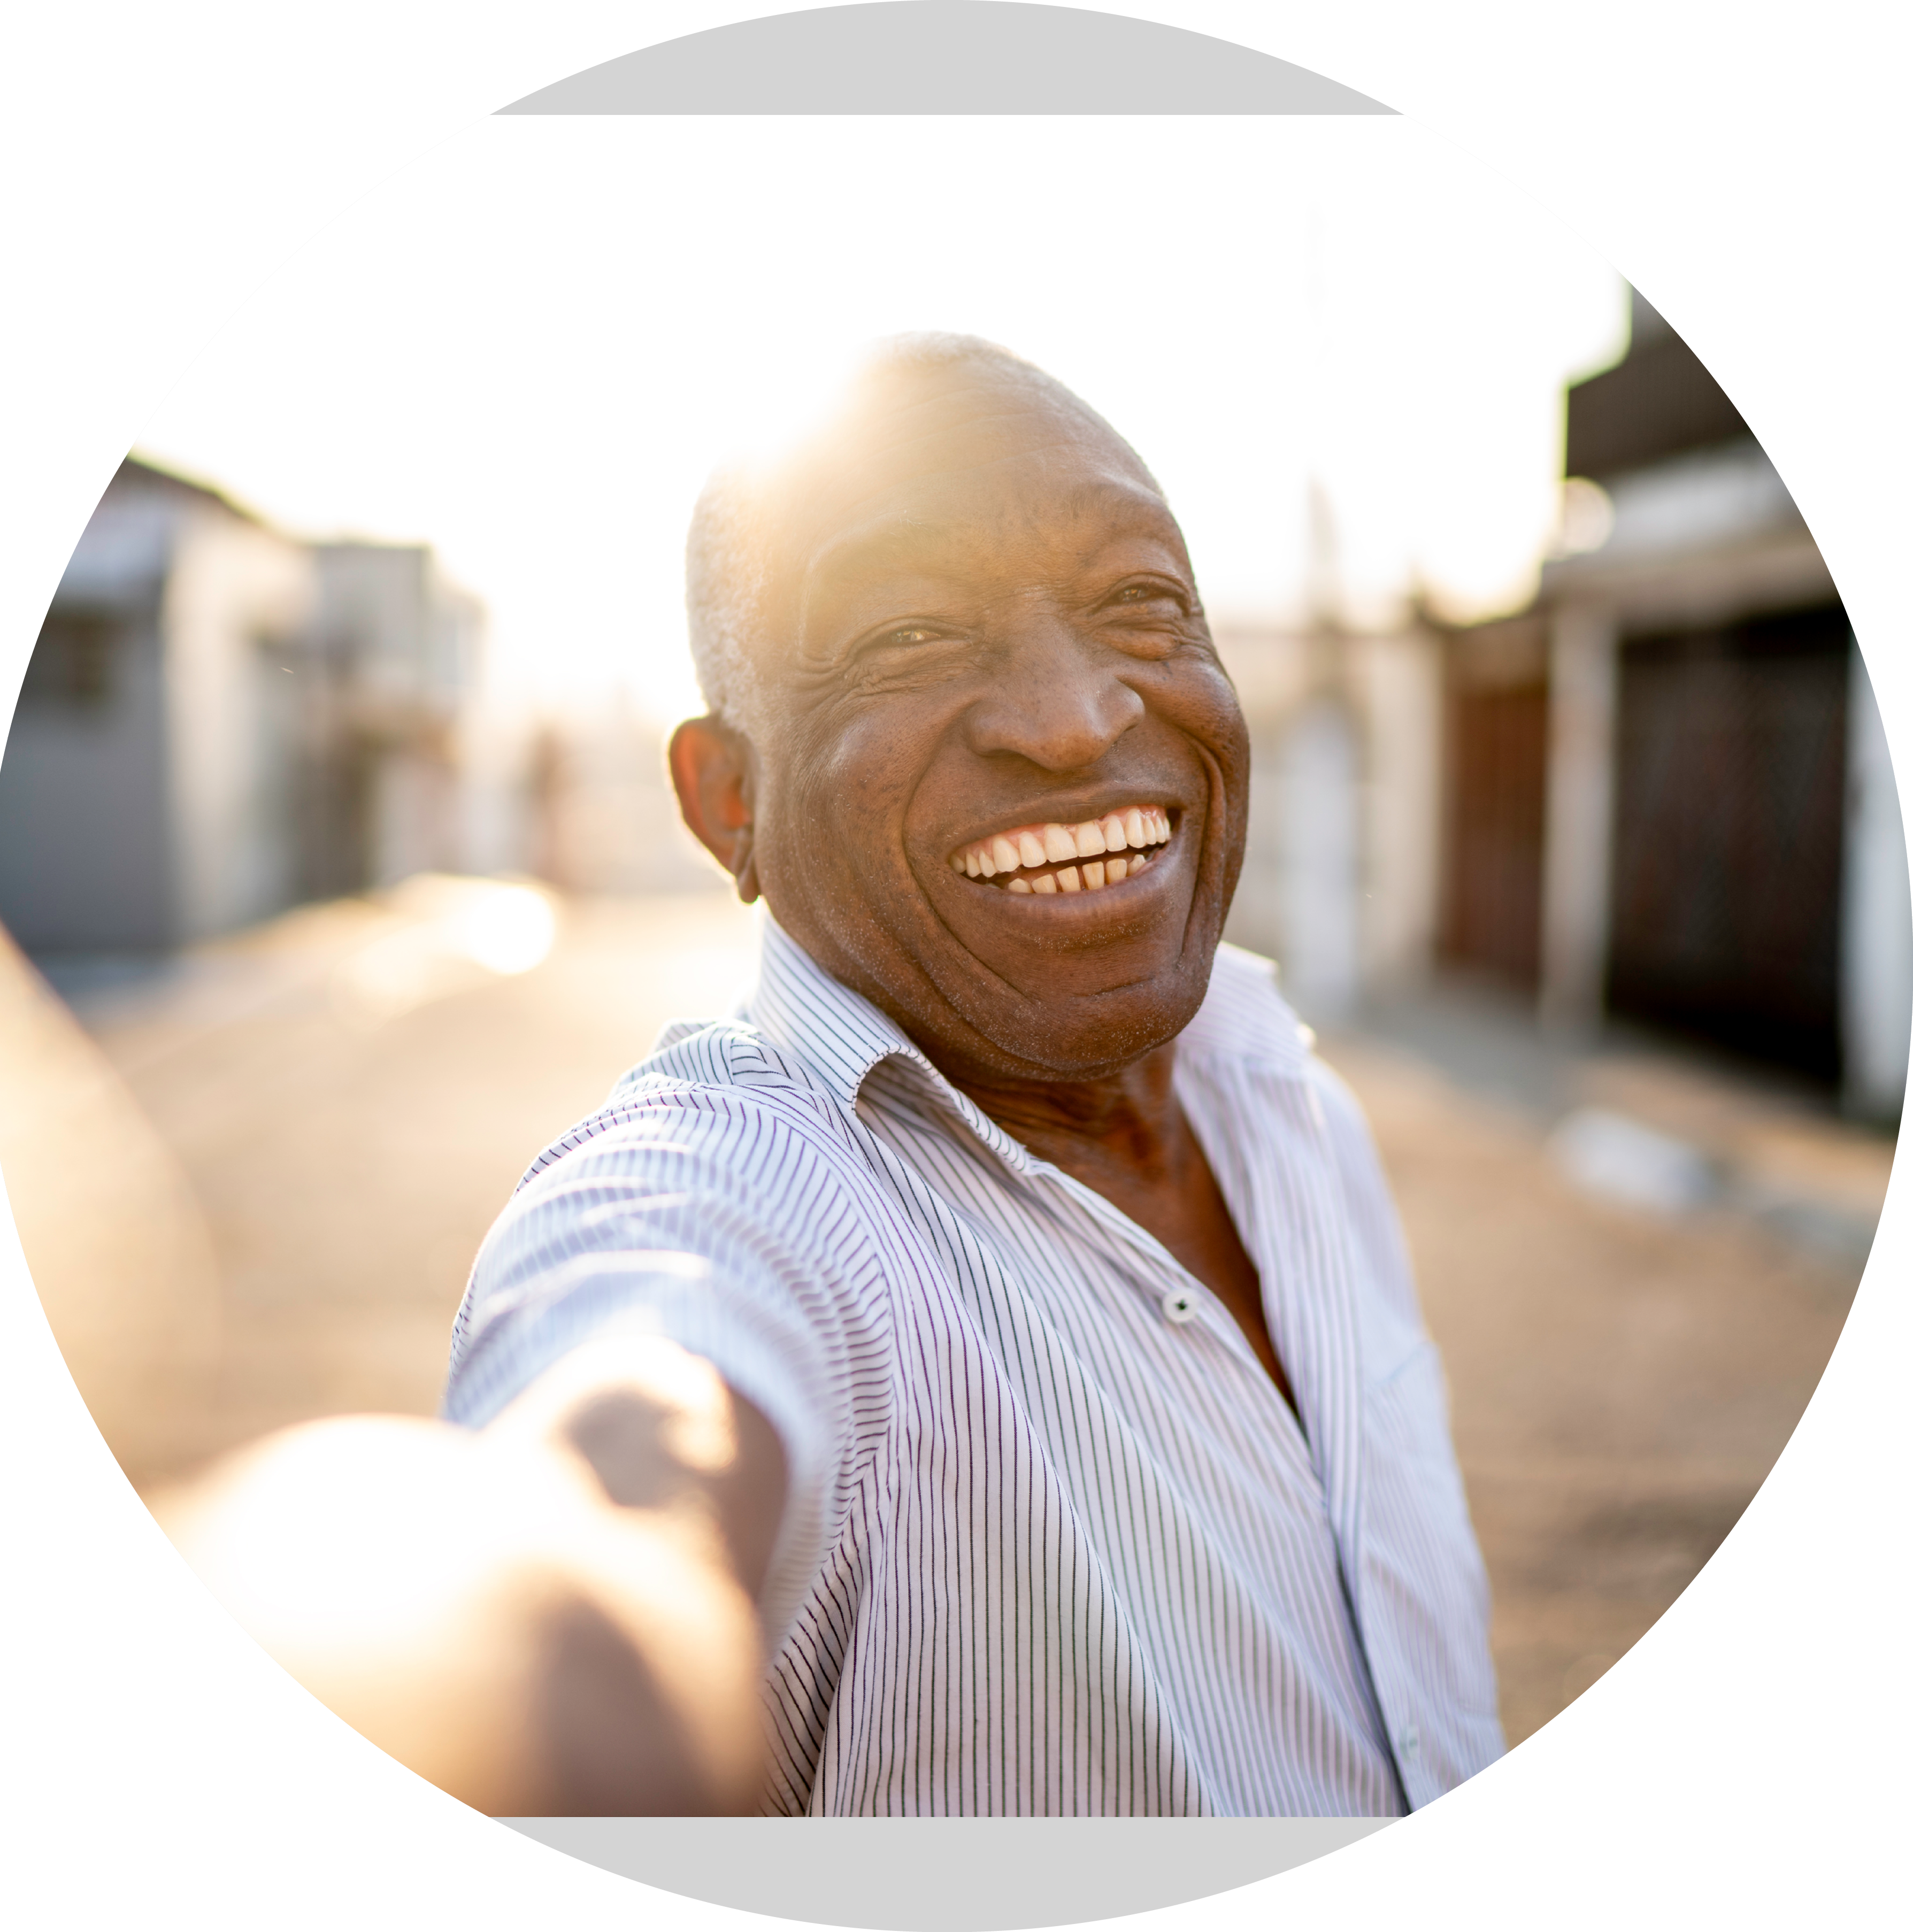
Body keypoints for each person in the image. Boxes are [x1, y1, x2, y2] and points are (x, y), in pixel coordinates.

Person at [158, 334, 1503, 1817]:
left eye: (1139, 602)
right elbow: (626, 1451)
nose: (1071, 717)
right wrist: (542, 1617)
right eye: (908, 636)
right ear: (726, 799)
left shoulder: (1296, 1115)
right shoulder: (727, 1193)